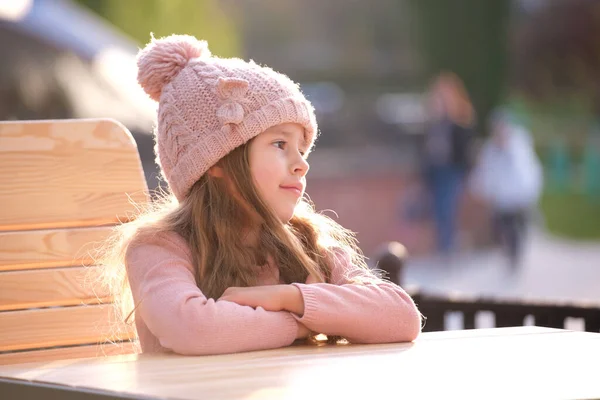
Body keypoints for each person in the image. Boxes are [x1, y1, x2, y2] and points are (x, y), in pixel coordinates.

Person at [96, 34, 421, 356]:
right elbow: (192, 328)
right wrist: (307, 323)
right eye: (280, 144)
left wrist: (288, 297)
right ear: (216, 161)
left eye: (302, 149)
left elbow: (401, 317)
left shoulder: (305, 242)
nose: (301, 164)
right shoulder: (159, 246)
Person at [470, 110, 543, 268]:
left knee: (517, 224)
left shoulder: (518, 146)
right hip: (501, 198)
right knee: (502, 225)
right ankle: (510, 251)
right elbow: (485, 172)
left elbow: (525, 171)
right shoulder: (491, 149)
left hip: (518, 195)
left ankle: (516, 252)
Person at [421, 72, 476, 256]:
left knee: (447, 208)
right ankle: (446, 246)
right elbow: (425, 150)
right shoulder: (433, 123)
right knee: (438, 209)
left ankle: (448, 247)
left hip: (453, 171)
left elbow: (465, 149)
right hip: (436, 171)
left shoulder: (460, 121)